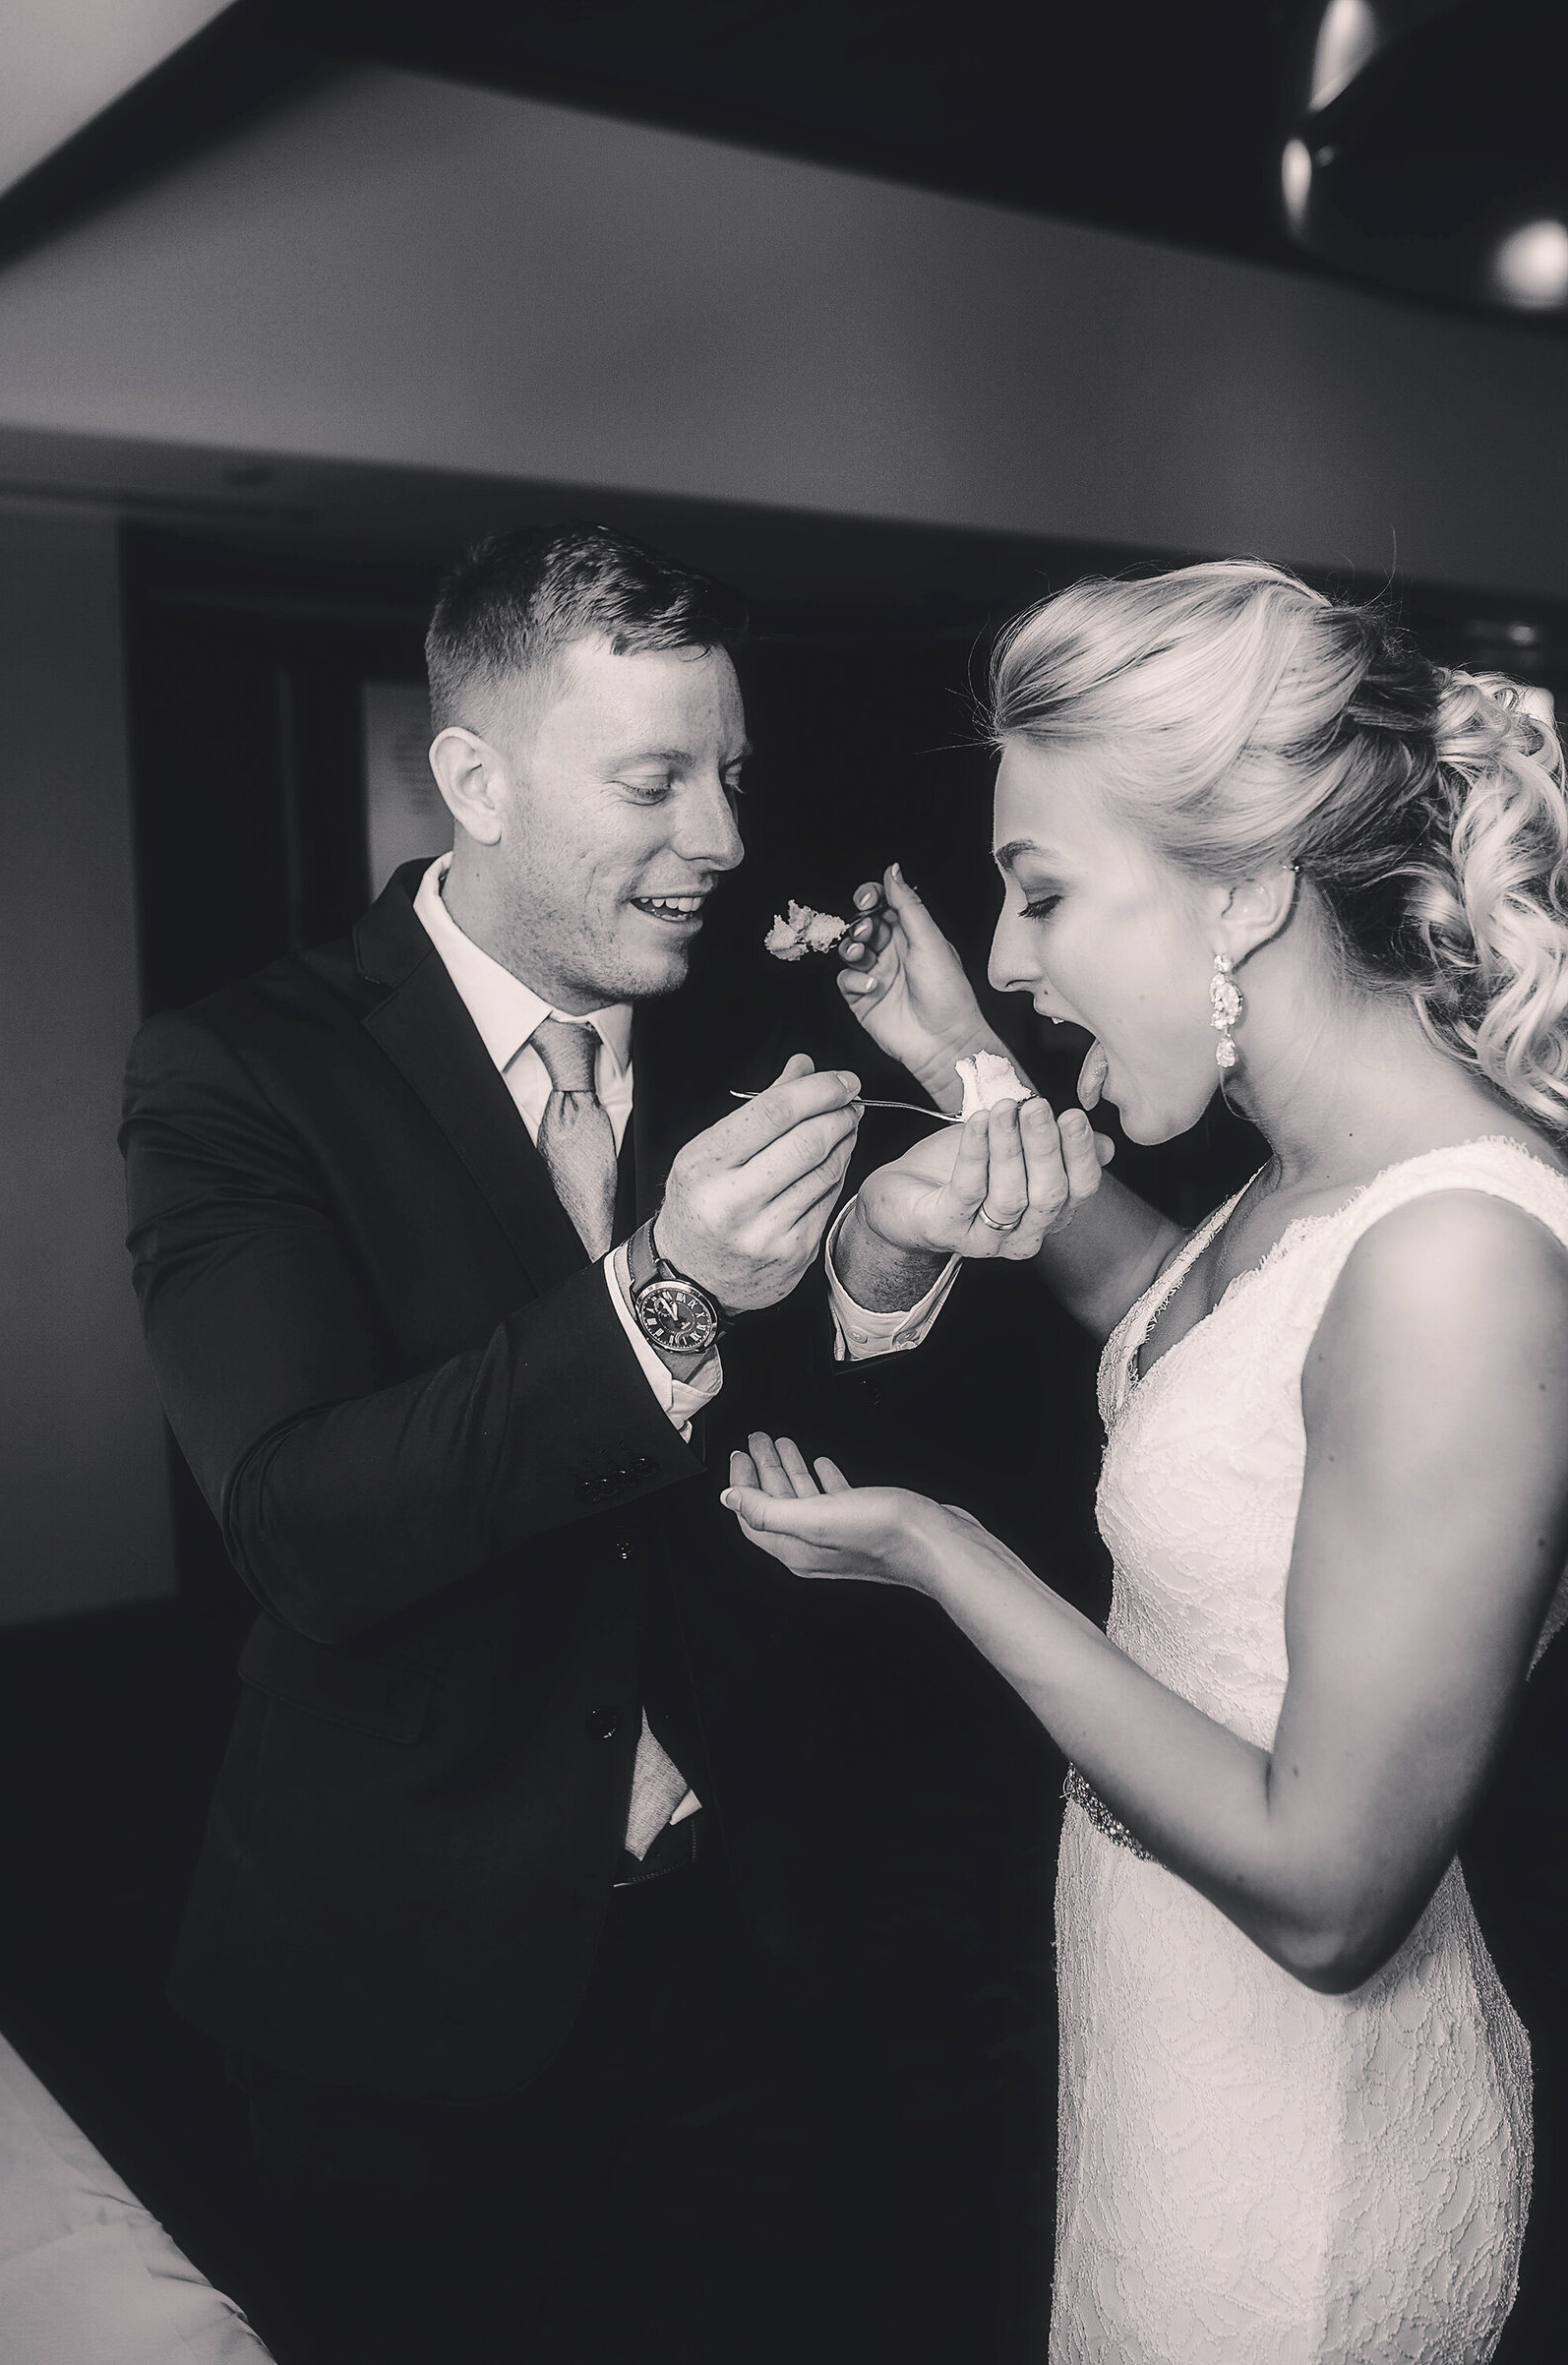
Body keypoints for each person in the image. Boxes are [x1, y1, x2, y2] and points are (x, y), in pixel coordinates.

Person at [120, 521, 995, 2363]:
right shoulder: (240, 1073)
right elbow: (302, 1527)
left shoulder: (746, 1022)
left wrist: (879, 1268)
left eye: (731, 775)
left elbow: (808, 1440)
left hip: (758, 1926)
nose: (727, 843)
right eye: (655, 783)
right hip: (406, 1973)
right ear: (474, 780)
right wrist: (665, 1292)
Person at [724, 560, 1568, 2363]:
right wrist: (958, 1057)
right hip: (1178, 2064)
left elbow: (1338, 1898)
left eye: (1042, 897)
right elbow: (1189, 1341)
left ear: (1247, 888)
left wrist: (952, 1558)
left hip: (1310, 2170)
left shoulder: (1459, 1265)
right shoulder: (1315, 1179)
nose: (1014, 958)